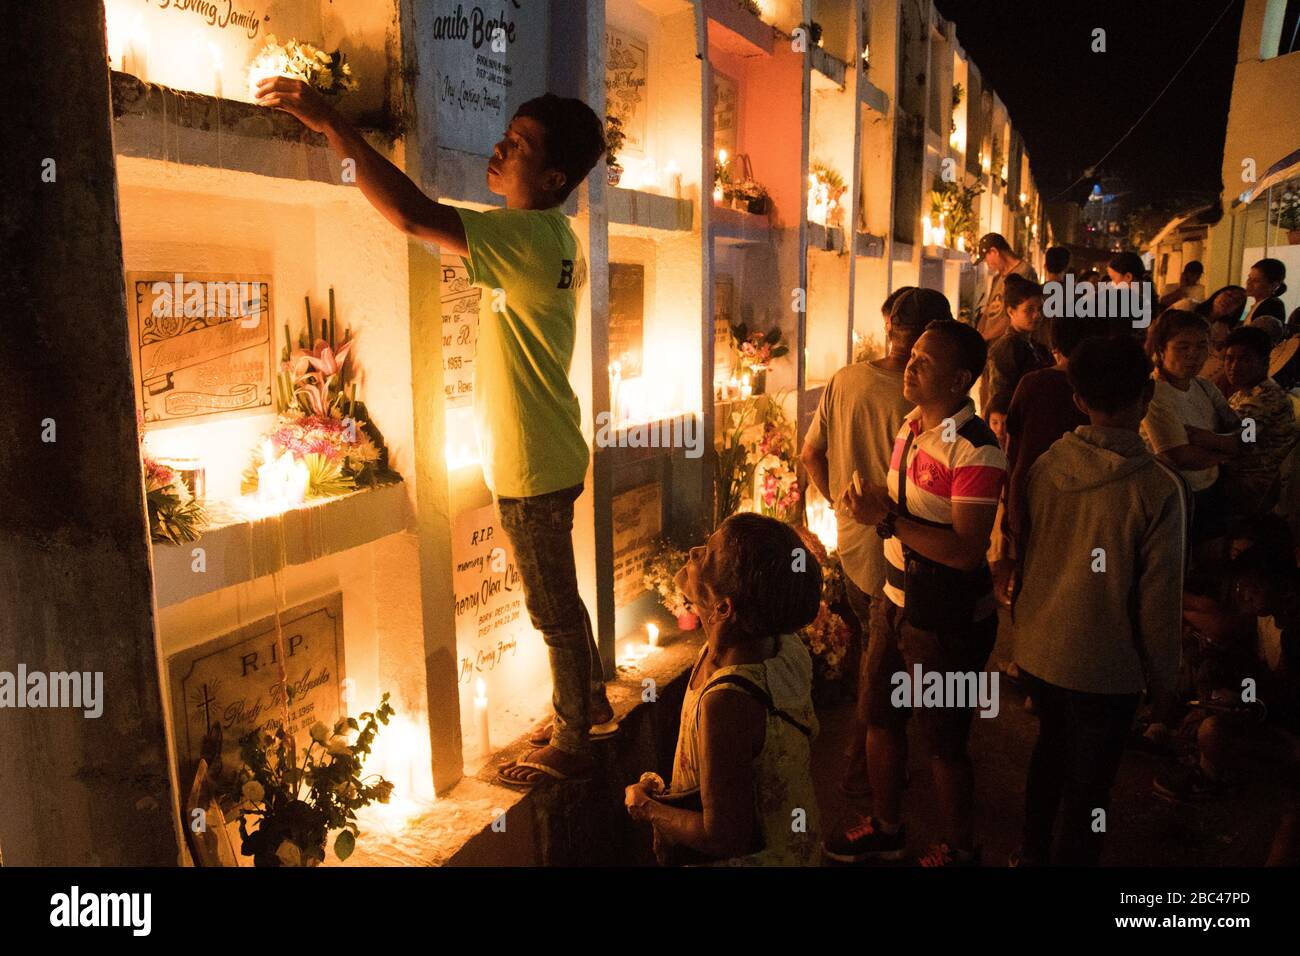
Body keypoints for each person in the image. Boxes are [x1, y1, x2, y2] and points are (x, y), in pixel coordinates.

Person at [256, 78, 613, 788]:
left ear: (552, 178)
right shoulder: (548, 235)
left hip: (534, 463)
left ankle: (576, 737)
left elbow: (415, 218)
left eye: (522, 146)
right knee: (559, 600)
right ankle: (586, 704)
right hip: (548, 450)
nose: (501, 148)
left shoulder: (526, 238)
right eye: (507, 134)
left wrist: (333, 125)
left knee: (549, 607)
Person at [825, 320, 1007, 867]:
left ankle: (961, 846)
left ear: (960, 378)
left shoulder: (976, 448)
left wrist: (886, 521)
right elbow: (911, 508)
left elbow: (966, 551)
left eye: (925, 361)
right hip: (895, 603)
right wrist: (878, 501)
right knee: (880, 716)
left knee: (944, 741)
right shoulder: (911, 425)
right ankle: (887, 826)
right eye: (912, 355)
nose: (909, 364)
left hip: (945, 619)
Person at [1012, 335, 1186, 866]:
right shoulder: (1157, 489)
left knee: (1048, 758)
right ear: (1148, 394)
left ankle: (1031, 856)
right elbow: (1158, 603)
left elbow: (1032, 554)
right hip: (1106, 667)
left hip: (1042, 650)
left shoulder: (1046, 466)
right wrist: (1165, 686)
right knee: (1091, 792)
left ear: (1078, 400)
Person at [801, 287, 945, 796]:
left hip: (854, 543)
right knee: (889, 657)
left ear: (889, 326)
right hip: (904, 549)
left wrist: (840, 504)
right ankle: (869, 755)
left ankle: (871, 748)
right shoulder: (927, 398)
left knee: (872, 645)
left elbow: (810, 454)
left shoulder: (846, 379)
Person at [624, 513, 822, 865]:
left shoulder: (728, 700)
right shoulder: (782, 645)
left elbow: (723, 835)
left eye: (708, 554)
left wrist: (648, 809)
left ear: (723, 607)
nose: (694, 552)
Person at [992, 311, 1092, 602]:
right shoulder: (1100, 387)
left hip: (1035, 501)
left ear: (1053, 346)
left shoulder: (1033, 384)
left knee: (1034, 585)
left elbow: (1015, 450)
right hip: (1083, 504)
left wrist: (1010, 513)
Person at [1141, 310, 1242, 548]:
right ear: (1161, 350)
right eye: (1182, 347)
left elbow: (1244, 431)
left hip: (1212, 490)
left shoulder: (1204, 386)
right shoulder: (1154, 394)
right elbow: (1180, 456)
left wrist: (1208, 439)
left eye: (1201, 346)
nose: (1193, 355)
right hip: (1178, 497)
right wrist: (1228, 450)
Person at [1221, 325, 1298, 516]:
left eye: (1245, 359)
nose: (1234, 366)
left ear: (1265, 362)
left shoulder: (1265, 398)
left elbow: (1240, 443)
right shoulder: (1243, 394)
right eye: (1229, 359)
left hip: (1256, 488)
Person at [982, 274, 1051, 413]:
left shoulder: (1033, 344)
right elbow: (1000, 397)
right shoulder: (1006, 348)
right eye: (1029, 310)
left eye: (1040, 309)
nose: (1037, 315)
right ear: (1011, 311)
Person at [976, 232, 1039, 342]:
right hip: (989, 344)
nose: (988, 264)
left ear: (994, 251)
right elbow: (988, 311)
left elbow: (1014, 315)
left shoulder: (1024, 273)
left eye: (986, 259)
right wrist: (979, 335)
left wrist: (985, 337)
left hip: (1006, 345)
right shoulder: (998, 277)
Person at [1246, 258, 1289, 327]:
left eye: (1256, 280)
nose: (1249, 283)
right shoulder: (1259, 304)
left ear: (1274, 285)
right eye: (1249, 278)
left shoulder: (1272, 306)